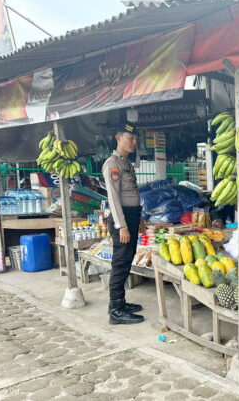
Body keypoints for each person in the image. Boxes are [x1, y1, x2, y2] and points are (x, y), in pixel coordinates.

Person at [102, 122, 145, 325]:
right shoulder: (113, 164)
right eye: (130, 138)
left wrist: (141, 220)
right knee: (120, 263)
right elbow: (113, 197)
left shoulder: (127, 163)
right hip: (123, 219)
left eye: (136, 139)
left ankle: (121, 302)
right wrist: (123, 226)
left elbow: (133, 194)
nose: (134, 142)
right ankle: (115, 310)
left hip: (132, 216)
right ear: (118, 138)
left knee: (127, 260)